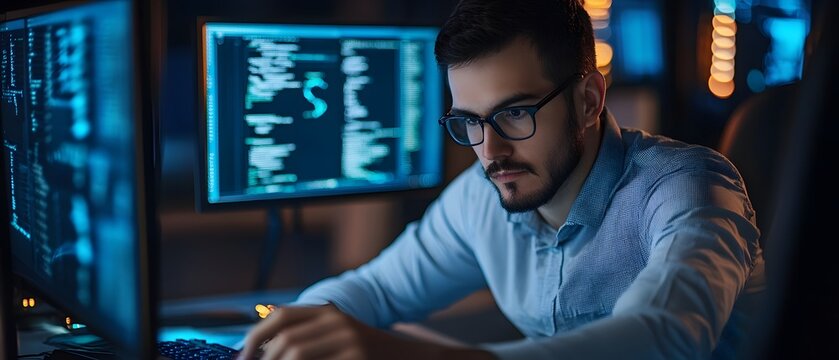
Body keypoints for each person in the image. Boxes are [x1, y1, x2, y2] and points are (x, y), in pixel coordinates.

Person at [239, 0, 765, 359]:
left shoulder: (688, 187)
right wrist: (287, 331)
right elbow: (375, 289)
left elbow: (665, 335)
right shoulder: (483, 193)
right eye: (469, 121)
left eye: (515, 114)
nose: (490, 151)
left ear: (589, 101)